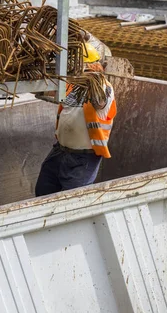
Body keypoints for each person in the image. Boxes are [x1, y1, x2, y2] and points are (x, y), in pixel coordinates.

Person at [35, 42, 117, 197]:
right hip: (59, 151)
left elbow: (100, 102)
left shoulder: (104, 88)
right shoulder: (70, 86)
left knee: (71, 201)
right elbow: (43, 91)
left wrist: (91, 77)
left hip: (83, 159)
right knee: (43, 192)